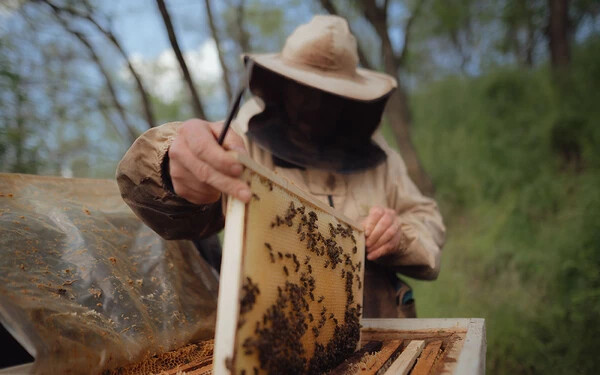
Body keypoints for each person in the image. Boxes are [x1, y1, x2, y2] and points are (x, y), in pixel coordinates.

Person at [116, 15, 445, 318]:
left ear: (351, 101)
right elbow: (164, 201)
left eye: (330, 96)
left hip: (382, 332)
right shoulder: (242, 139)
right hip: (276, 328)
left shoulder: (381, 156)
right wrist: (170, 168)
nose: (315, 106)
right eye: (306, 91)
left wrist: (401, 237)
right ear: (282, 87)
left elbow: (427, 221)